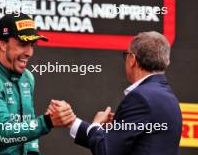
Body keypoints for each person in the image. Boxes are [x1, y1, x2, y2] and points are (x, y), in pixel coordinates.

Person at [48, 31, 182, 155]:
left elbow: (106, 150)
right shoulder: (170, 98)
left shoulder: (140, 98)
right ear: (166, 61)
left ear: (132, 59)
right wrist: (73, 122)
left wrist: (96, 125)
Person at [0, 13, 75, 155]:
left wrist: (33, 152)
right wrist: (47, 121)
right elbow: (3, 132)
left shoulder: (27, 77)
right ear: (2, 44)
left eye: (32, 45)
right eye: (22, 44)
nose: (29, 52)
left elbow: (28, 121)